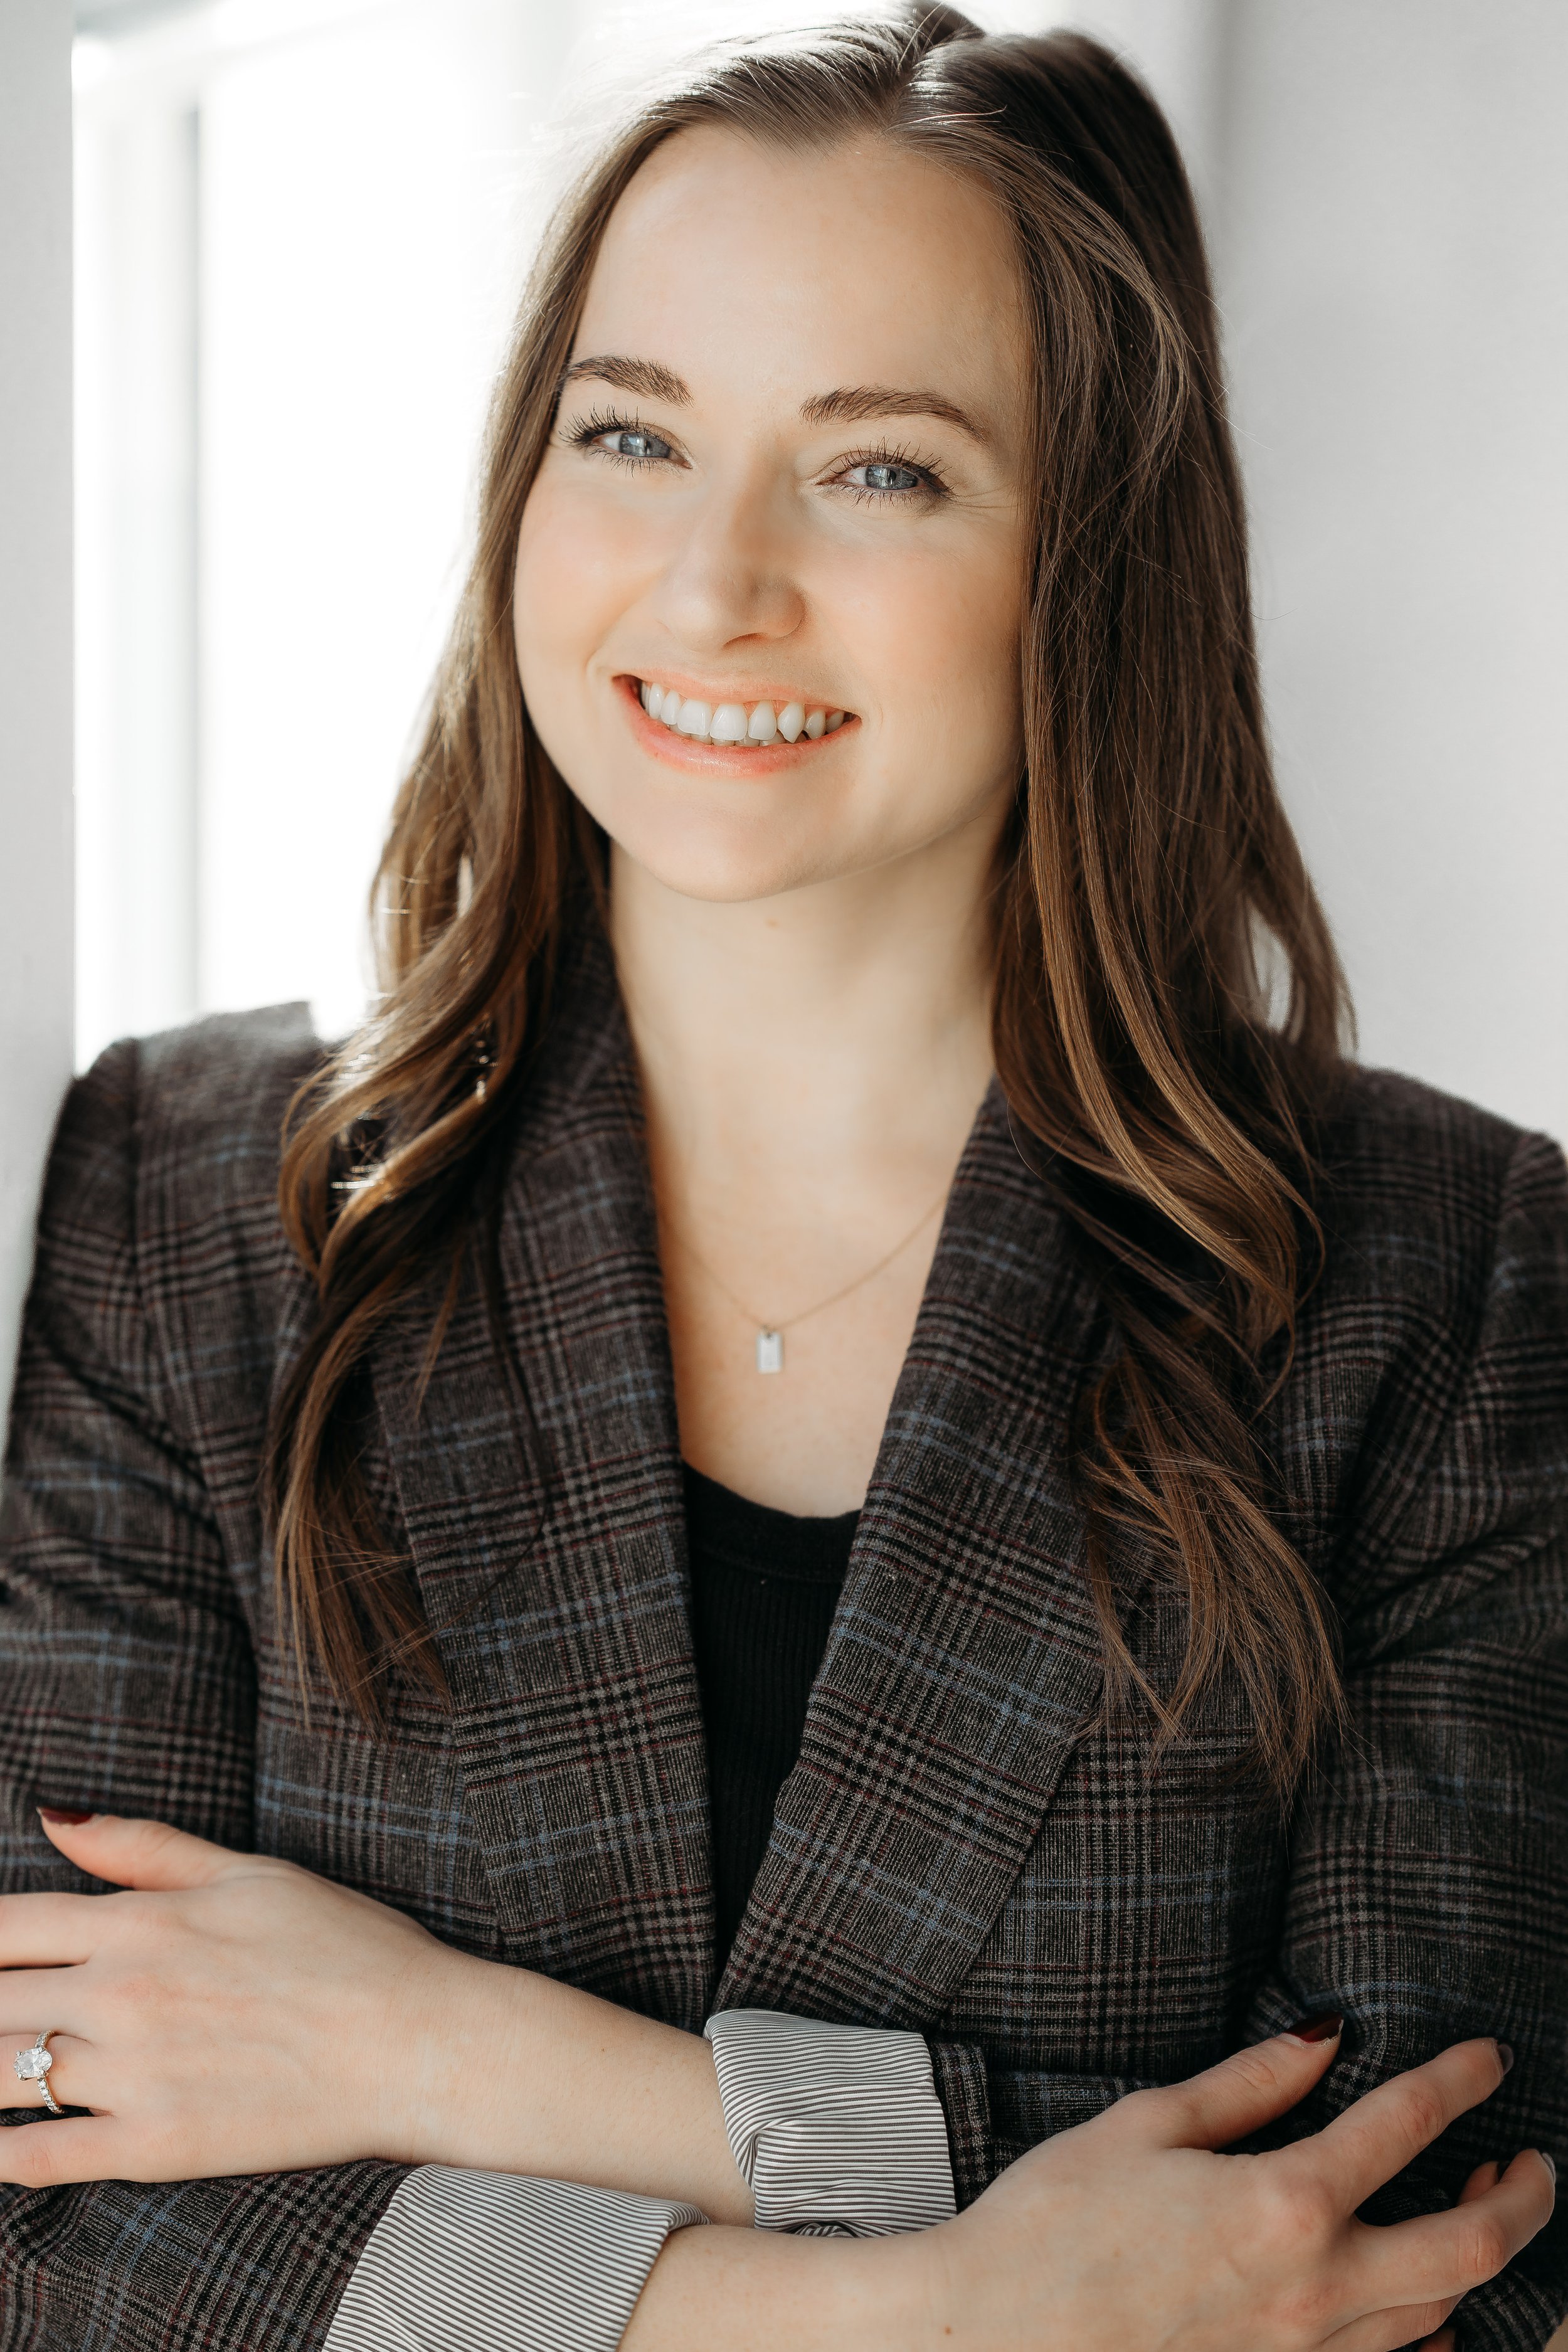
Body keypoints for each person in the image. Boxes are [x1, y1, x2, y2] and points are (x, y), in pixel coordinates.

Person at [0, 10, 1562, 2348]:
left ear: (1092, 561)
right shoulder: (190, 1195)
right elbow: (63, 2222)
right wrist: (927, 2310)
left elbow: (1419, 2237)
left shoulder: (1450, 1278)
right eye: (630, 434)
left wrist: (455, 2054)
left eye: (881, 474)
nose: (711, 581)